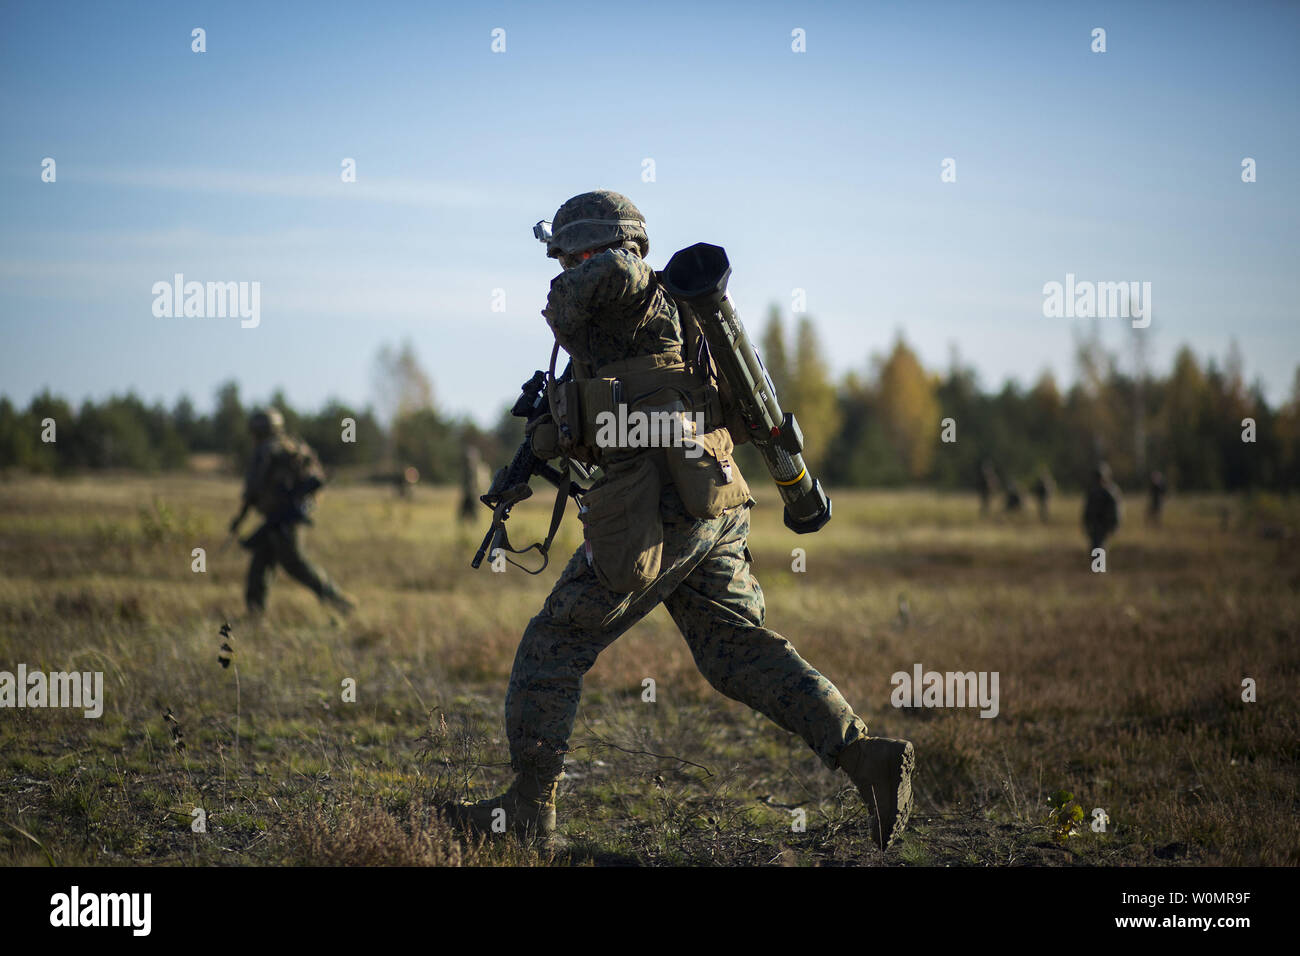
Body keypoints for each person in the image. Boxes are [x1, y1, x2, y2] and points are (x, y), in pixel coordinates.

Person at [445, 190, 913, 852]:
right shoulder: (641, 328)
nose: (559, 273)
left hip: (657, 516)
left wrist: (589, 272)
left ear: (598, 247)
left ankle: (527, 812)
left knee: (553, 645)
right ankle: (868, 759)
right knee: (736, 653)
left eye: (567, 256)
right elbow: (603, 410)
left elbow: (619, 271)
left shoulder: (632, 290)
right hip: (711, 507)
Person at [228, 408, 354, 616]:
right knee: (261, 562)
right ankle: (254, 611)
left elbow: (253, 490)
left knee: (295, 564)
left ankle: (337, 600)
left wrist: (240, 519)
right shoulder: (290, 446)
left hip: (282, 519)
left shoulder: (266, 451)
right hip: (285, 517)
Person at [1082, 461, 1122, 553]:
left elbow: (1116, 511)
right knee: (1095, 551)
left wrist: (1114, 526)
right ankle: (1098, 567)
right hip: (1094, 527)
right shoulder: (1092, 491)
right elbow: (1087, 509)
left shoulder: (1111, 492)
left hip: (1104, 527)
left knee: (1100, 551)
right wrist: (1086, 524)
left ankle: (1100, 567)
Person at [458, 447, 488, 522]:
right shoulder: (466, 470)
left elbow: (483, 483)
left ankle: (472, 531)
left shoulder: (480, 469)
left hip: (475, 495)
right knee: (462, 516)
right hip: (468, 495)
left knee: (474, 516)